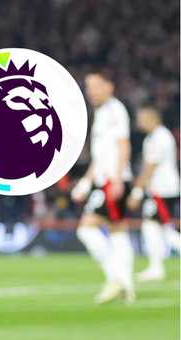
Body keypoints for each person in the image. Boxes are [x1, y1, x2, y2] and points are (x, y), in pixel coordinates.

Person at [71, 72, 134, 304]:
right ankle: (126, 284)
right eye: (88, 87)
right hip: (105, 180)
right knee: (118, 230)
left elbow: (123, 145)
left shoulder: (115, 111)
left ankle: (114, 278)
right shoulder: (102, 112)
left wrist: (117, 179)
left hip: (111, 182)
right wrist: (86, 182)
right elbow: (100, 156)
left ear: (110, 86)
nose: (91, 92)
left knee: (86, 229)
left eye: (96, 86)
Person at [128, 106, 180, 281]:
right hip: (162, 189)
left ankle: (156, 268)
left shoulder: (159, 137)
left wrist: (136, 192)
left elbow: (150, 167)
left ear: (152, 118)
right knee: (156, 227)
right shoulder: (156, 136)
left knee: (157, 227)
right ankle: (155, 268)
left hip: (162, 190)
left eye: (142, 118)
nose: (139, 122)